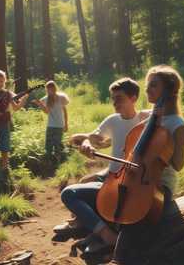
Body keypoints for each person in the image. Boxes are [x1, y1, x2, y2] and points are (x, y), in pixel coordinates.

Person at [60, 77, 150, 256]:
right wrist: (87, 143)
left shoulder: (146, 119)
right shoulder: (113, 120)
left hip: (130, 180)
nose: (115, 102)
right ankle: (104, 233)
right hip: (111, 176)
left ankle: (93, 227)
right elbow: (93, 136)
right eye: (113, 98)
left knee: (78, 192)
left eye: (119, 98)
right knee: (70, 192)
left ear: (133, 98)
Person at [113, 65, 184, 264]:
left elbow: (179, 165)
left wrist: (164, 149)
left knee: (136, 218)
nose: (147, 90)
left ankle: (121, 257)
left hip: (159, 185)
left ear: (169, 90)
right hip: (137, 179)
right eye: (147, 86)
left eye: (153, 85)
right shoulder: (151, 118)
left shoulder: (177, 124)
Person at [32, 81, 69, 160]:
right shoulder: (46, 99)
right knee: (48, 145)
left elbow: (65, 112)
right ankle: (49, 161)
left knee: (57, 144)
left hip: (60, 125)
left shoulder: (61, 97)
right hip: (50, 125)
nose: (49, 91)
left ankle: (58, 161)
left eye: (51, 89)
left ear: (54, 88)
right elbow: (46, 111)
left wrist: (66, 124)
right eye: (48, 90)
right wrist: (40, 104)